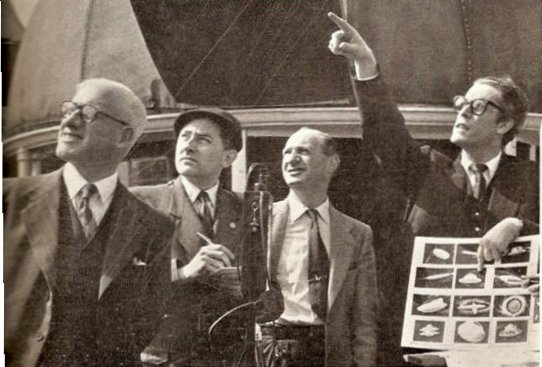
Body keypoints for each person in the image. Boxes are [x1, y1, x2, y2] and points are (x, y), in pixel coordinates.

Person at [327, 12, 539, 366]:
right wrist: (366, 63)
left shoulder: (533, 179)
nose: (462, 112)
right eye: (462, 103)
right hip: (422, 349)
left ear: (504, 123)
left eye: (477, 106)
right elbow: (385, 134)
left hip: (503, 351)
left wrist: (521, 226)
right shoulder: (427, 169)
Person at [3, 78, 174, 367]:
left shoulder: (154, 226)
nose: (69, 121)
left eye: (88, 113)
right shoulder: (9, 199)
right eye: (70, 109)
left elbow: (148, 318)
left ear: (124, 136)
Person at [131, 108, 245, 366]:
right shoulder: (141, 201)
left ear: (228, 158)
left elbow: (273, 283)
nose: (188, 146)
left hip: (229, 357)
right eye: (185, 137)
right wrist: (182, 273)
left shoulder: (247, 208)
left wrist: (247, 284)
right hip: (164, 357)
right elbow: (116, 282)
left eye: (203, 140)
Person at [257, 127, 378, 367]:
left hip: (332, 355)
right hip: (275, 353)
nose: (291, 159)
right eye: (286, 153)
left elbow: (365, 318)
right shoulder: (260, 221)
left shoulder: (358, 233)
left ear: (331, 163)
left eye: (303, 151)